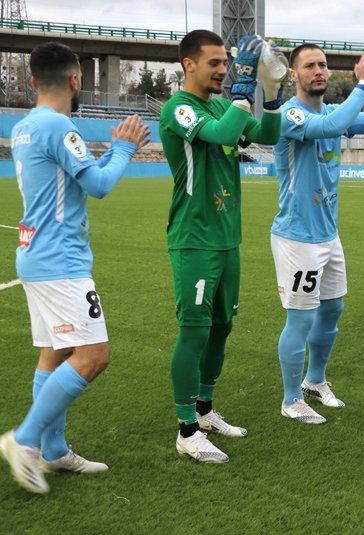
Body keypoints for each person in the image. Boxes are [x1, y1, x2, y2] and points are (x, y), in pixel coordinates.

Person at [1, 41, 149, 494]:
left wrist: (109, 155)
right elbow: (100, 185)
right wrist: (124, 148)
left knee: (55, 352)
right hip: (60, 263)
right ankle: (23, 441)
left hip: (35, 256)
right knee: (93, 355)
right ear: (75, 79)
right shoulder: (61, 127)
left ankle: (53, 450)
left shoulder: (27, 127)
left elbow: (79, 179)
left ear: (31, 82)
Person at [159, 30, 284, 462]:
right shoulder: (179, 109)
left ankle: (206, 411)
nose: (222, 70)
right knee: (193, 331)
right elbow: (220, 133)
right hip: (194, 238)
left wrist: (270, 90)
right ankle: (186, 429)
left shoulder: (218, 103)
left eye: (225, 63)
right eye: (214, 63)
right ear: (188, 64)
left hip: (227, 237)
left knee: (221, 328)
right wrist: (243, 85)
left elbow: (266, 133)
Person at [272, 41, 364, 423]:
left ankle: (315, 381)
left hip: (327, 233)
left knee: (333, 308)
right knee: (301, 317)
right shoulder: (288, 115)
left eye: (323, 65)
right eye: (310, 66)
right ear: (294, 75)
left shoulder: (335, 109)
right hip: (297, 235)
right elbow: (331, 127)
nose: (319, 71)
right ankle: (291, 399)